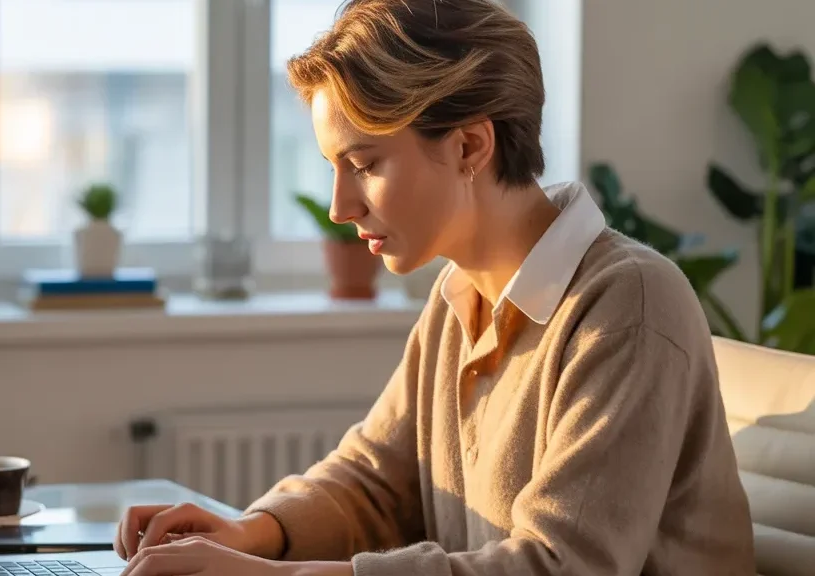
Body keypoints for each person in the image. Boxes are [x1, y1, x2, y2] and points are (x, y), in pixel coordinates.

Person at [113, 0, 755, 574]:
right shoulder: (460, 298)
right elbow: (373, 482)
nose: (339, 206)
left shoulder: (626, 306)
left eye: (363, 165)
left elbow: (562, 566)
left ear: (471, 146)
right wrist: (251, 533)